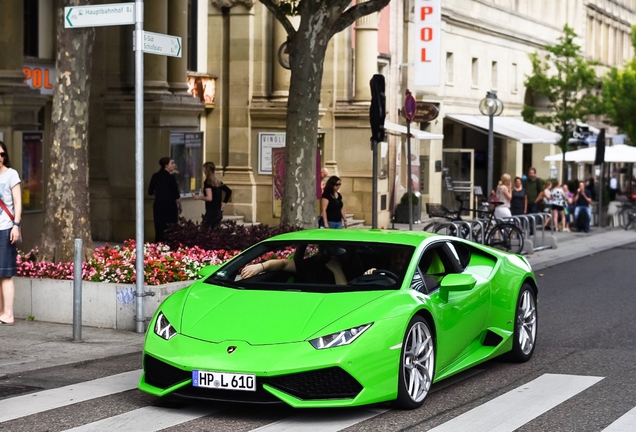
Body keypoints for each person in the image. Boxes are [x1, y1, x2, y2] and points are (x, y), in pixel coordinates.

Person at [0, 141, 21, 326]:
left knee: (5, 274)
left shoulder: (11, 174)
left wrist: (16, 225)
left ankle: (8, 314)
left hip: (6, 229)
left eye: (1, 154)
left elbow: (18, 202)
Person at [148, 157, 181, 242]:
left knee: (159, 227)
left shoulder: (155, 176)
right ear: (166, 165)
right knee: (170, 227)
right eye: (172, 163)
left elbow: (150, 191)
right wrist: (180, 205)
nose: (174, 165)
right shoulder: (171, 178)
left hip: (158, 204)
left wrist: (159, 192)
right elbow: (176, 194)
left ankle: (159, 245)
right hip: (169, 205)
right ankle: (169, 244)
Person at [193, 161, 232, 229]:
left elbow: (209, 198)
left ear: (206, 170)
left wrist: (198, 197)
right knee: (215, 233)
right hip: (219, 211)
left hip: (211, 211)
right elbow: (228, 191)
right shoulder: (218, 182)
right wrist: (224, 202)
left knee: (204, 230)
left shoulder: (208, 182)